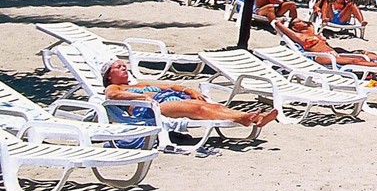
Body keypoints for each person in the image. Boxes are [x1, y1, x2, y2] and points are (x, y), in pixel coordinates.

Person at [102, 60, 276, 133]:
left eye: (125, 66)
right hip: (150, 109)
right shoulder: (113, 86)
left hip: (165, 99)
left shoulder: (139, 84)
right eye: (118, 67)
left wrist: (188, 90)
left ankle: (256, 118)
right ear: (109, 76)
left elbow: (170, 85)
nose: (124, 68)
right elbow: (113, 95)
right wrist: (142, 98)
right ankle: (243, 118)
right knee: (198, 109)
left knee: (213, 106)